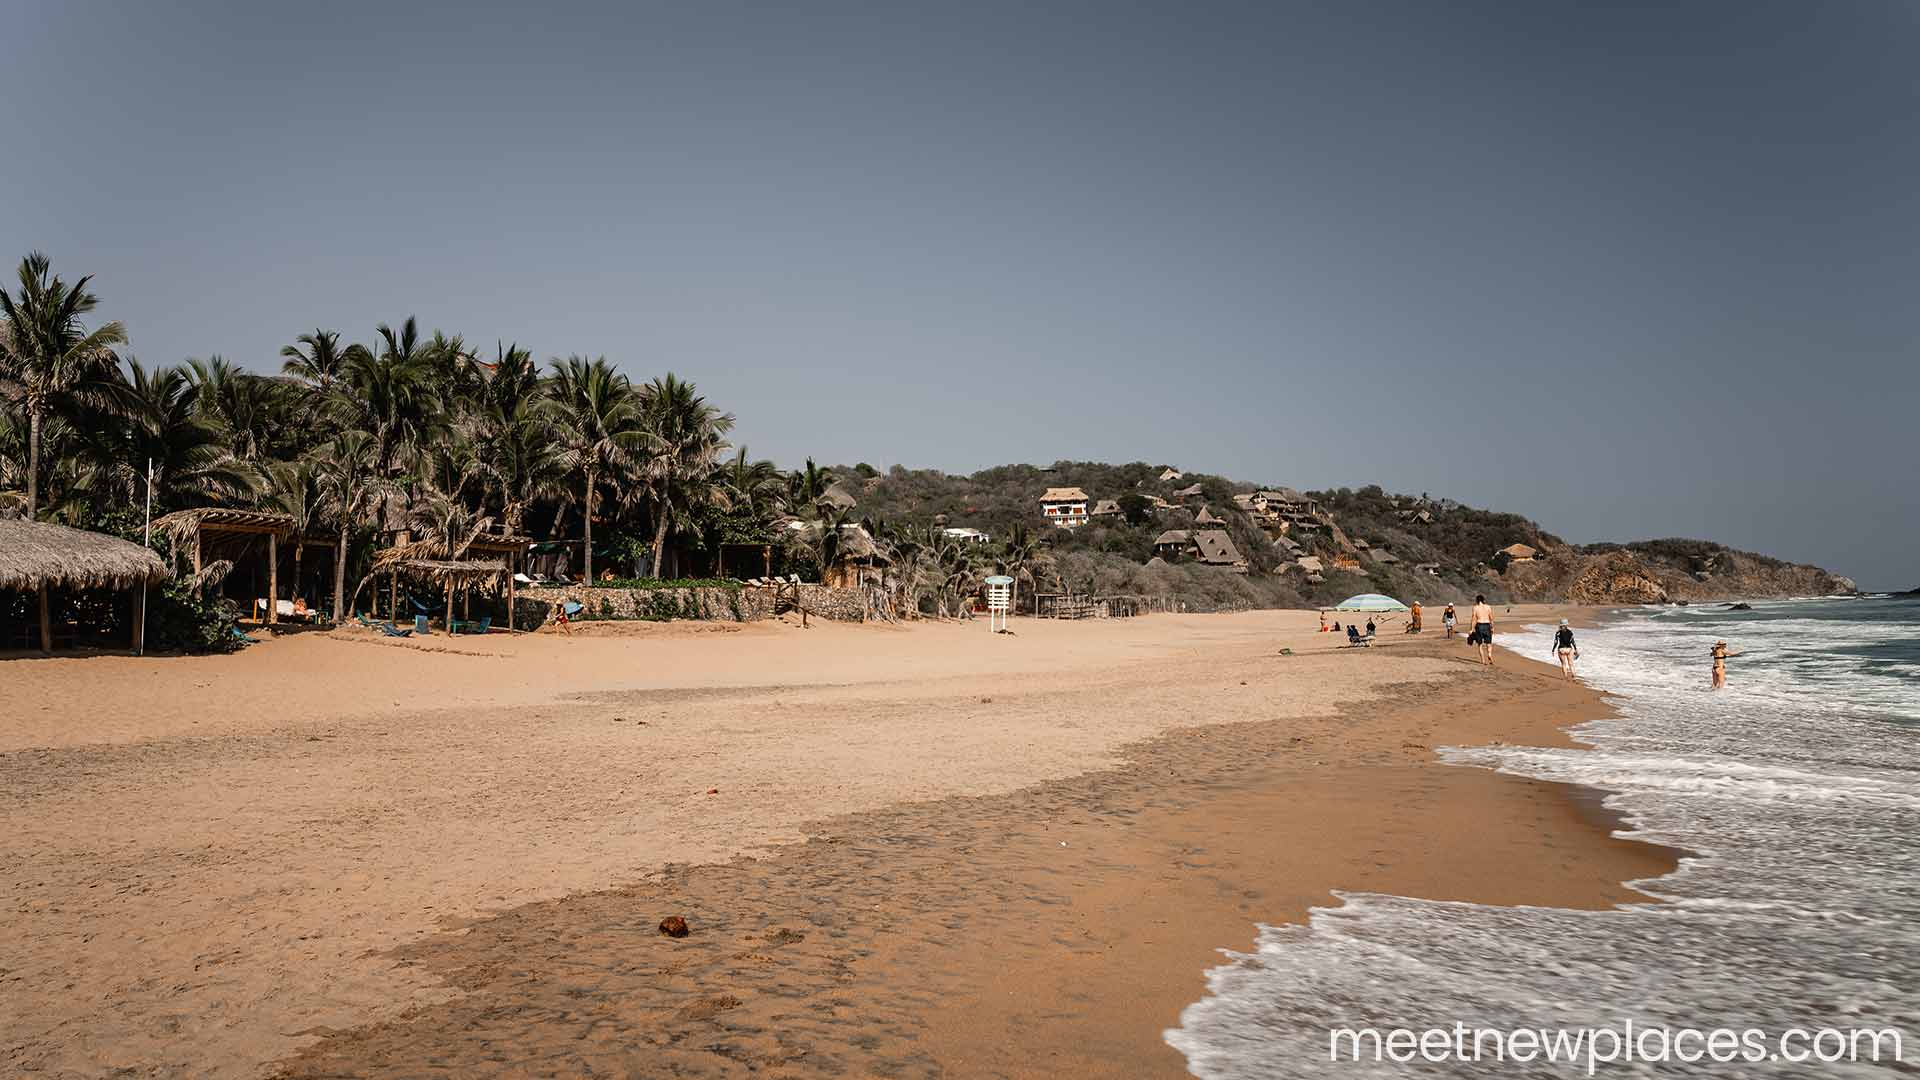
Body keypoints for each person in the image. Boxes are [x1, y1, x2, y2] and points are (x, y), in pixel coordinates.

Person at [1472, 594, 1494, 665]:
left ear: (1477, 600)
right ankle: (1489, 655)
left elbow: (1474, 619)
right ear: (1483, 600)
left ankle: (1483, 661)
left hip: (1479, 625)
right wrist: (1492, 627)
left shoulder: (1475, 608)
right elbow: (1491, 618)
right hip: (1487, 625)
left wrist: (1471, 629)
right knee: (1489, 644)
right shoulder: (1488, 607)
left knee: (1480, 644)